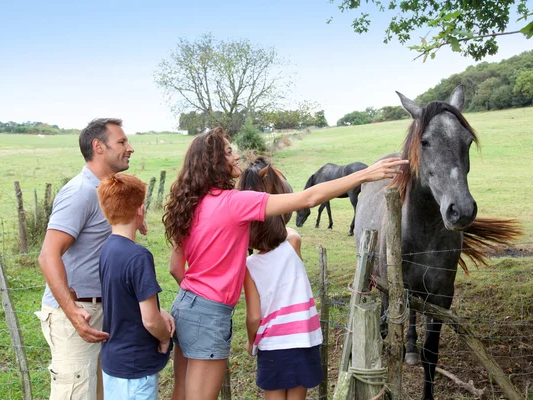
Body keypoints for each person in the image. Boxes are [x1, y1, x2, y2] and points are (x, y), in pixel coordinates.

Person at [164, 127, 407, 400]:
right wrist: (365, 174)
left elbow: (175, 269)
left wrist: (197, 299)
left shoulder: (188, 204)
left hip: (184, 306)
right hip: (209, 314)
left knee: (180, 393)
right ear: (214, 162)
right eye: (229, 152)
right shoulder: (234, 203)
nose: (236, 157)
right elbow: (308, 198)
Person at [36, 118, 137, 400]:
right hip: (79, 313)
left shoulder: (110, 192)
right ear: (98, 147)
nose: (130, 148)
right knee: (77, 393)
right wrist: (73, 314)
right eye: (122, 142)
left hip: (105, 310)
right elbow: (48, 255)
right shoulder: (80, 192)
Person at [241, 164, 323, 400]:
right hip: (303, 340)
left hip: (272, 346)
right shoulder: (293, 242)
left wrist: (250, 342)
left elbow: (254, 316)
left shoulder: (249, 266)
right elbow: (288, 231)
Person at [97, 174, 175, 400]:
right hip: (135, 367)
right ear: (140, 210)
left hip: (113, 361)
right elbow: (150, 320)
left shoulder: (107, 249)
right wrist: (163, 338)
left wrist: (160, 311)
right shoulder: (138, 256)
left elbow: (124, 296)